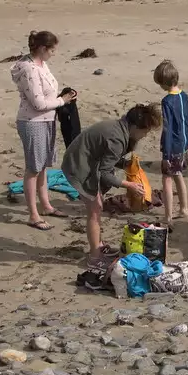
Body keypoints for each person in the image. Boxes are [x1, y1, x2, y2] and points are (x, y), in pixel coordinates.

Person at [61, 104, 163, 266]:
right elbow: (105, 173)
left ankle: (99, 246)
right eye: (146, 131)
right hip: (79, 165)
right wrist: (129, 185)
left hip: (87, 160)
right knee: (94, 211)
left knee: (98, 207)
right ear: (135, 127)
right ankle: (94, 257)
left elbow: (108, 159)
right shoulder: (117, 139)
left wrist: (126, 164)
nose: (146, 135)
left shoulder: (120, 128)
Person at [11, 31, 74, 231]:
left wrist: (63, 97)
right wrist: (62, 101)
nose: (53, 54)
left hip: (47, 120)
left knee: (43, 166)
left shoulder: (41, 64)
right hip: (32, 122)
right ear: (42, 48)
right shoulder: (29, 69)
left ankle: (45, 206)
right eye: (52, 50)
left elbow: (47, 94)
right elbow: (37, 103)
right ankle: (33, 214)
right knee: (33, 168)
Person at [154, 60, 188, 226]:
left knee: (167, 178)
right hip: (184, 144)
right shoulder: (185, 96)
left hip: (173, 146)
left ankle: (168, 216)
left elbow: (168, 128)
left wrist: (166, 154)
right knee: (178, 175)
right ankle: (184, 208)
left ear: (164, 83)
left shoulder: (167, 101)